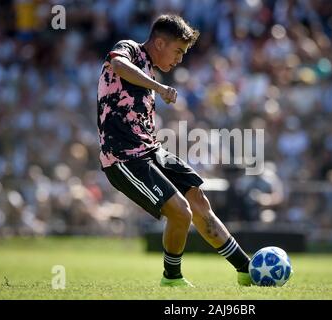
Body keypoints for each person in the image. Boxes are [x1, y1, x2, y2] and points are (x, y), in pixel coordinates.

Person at [97, 14, 251, 287]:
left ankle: (246, 269)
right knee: (181, 212)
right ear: (158, 42)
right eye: (178, 50)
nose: (180, 58)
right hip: (123, 158)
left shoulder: (150, 68)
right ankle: (172, 278)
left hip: (151, 150)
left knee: (198, 199)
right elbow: (118, 65)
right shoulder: (130, 49)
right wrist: (158, 87)